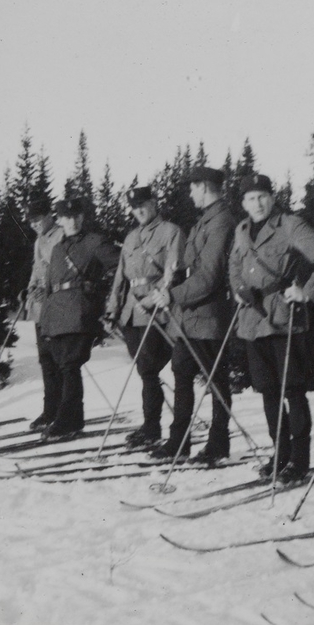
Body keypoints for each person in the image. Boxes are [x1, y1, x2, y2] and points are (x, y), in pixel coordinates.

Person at [228, 173, 314, 483]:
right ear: (243, 203)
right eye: (251, 198)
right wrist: (239, 289)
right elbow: (234, 265)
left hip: (283, 317)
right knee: (268, 391)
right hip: (253, 319)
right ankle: (280, 453)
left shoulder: (290, 225)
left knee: (293, 390)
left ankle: (299, 460)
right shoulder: (241, 230)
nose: (258, 203)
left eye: (263, 196)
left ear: (272, 197)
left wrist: (308, 292)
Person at [145, 166, 238, 465]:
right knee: (182, 373)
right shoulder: (204, 222)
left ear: (205, 187)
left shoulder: (221, 222)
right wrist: (171, 280)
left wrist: (174, 295)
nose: (190, 193)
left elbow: (209, 276)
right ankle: (179, 442)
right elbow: (190, 266)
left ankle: (218, 444)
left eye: (193, 187)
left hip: (210, 316)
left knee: (215, 380)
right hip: (190, 317)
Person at [103, 186, 183, 447]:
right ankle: (150, 425)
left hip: (155, 309)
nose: (138, 211)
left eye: (143, 205)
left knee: (148, 369)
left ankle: (151, 428)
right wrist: (113, 309)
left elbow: (172, 271)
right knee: (144, 370)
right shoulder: (130, 237)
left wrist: (153, 298)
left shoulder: (170, 231)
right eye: (134, 207)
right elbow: (120, 277)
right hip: (131, 311)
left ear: (154, 203)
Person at [36, 196, 120, 441]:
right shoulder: (57, 249)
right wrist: (46, 319)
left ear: (82, 217)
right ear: (59, 220)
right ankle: (74, 418)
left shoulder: (95, 242)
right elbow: (51, 287)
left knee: (70, 366)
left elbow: (121, 265)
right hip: (57, 315)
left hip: (81, 311)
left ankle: (66, 421)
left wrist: (103, 293)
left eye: (76, 216)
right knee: (63, 367)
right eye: (66, 217)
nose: (72, 221)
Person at [24, 198, 66, 432]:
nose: (34, 224)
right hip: (41, 308)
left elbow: (61, 269)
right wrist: (31, 288)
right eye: (31, 221)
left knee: (60, 361)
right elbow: (36, 268)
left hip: (58, 305)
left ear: (49, 216)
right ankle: (50, 410)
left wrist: (46, 288)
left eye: (37, 219)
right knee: (46, 360)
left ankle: (63, 411)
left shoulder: (61, 234)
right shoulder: (39, 241)